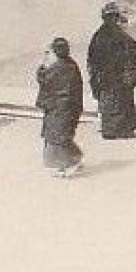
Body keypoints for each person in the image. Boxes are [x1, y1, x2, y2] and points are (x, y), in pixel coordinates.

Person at [87, 1, 136, 139]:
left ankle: (111, 131)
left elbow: (91, 62)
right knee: (122, 106)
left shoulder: (98, 36)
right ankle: (122, 131)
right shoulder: (122, 36)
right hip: (119, 81)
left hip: (105, 81)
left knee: (109, 108)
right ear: (116, 17)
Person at [35, 37, 85, 177]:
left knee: (57, 137)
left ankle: (69, 164)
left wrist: (42, 67)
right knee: (60, 136)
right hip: (65, 108)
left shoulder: (59, 67)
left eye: (48, 52)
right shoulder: (68, 64)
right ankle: (73, 160)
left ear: (56, 52)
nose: (46, 55)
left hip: (61, 109)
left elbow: (44, 80)